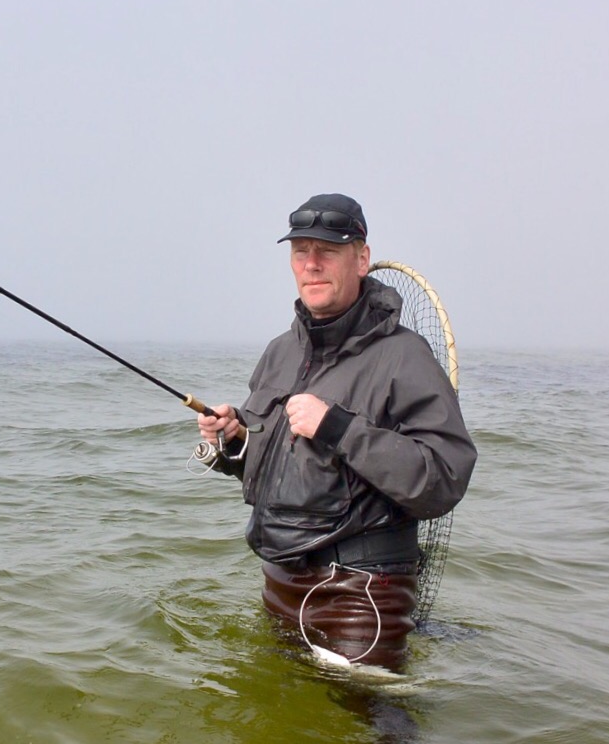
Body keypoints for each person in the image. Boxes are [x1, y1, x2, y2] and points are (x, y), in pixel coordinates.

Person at [196, 193, 476, 670]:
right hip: (279, 583)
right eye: (300, 251)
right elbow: (286, 471)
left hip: (363, 596)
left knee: (366, 718)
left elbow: (444, 477)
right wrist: (237, 439)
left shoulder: (405, 355)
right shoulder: (279, 351)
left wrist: (337, 427)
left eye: (327, 250)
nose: (311, 264)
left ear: (361, 259)